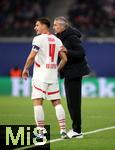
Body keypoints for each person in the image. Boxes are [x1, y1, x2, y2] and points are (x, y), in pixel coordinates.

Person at [22, 18, 68, 139]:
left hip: (40, 76)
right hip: (52, 76)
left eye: (37, 25)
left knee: (37, 102)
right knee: (57, 103)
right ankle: (63, 131)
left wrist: (25, 69)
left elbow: (32, 57)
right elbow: (64, 59)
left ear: (44, 26)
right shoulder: (57, 40)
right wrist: (56, 70)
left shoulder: (38, 39)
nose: (35, 27)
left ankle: (41, 133)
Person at [53, 16, 90, 138]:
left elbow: (81, 53)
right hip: (69, 73)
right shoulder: (60, 37)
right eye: (54, 25)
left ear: (63, 27)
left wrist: (67, 51)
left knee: (74, 103)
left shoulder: (72, 37)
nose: (54, 27)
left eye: (56, 25)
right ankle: (76, 129)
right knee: (70, 103)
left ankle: (77, 131)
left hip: (74, 73)